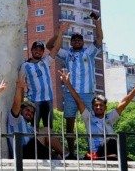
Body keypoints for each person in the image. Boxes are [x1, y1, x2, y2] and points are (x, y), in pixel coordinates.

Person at [47, 11, 104, 158]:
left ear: (83, 42)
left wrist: (96, 21)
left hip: (87, 93)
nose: (77, 41)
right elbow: (49, 45)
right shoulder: (67, 54)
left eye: (79, 40)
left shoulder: (89, 52)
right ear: (71, 42)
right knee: (70, 124)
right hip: (70, 93)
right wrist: (59, 32)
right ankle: (71, 153)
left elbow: (99, 38)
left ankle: (96, 152)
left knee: (91, 124)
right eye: (74, 40)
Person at [59, 69, 135, 160]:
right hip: (96, 153)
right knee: (112, 142)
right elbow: (78, 100)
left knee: (115, 143)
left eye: (101, 105)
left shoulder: (109, 118)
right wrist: (67, 83)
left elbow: (124, 103)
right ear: (92, 107)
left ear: (105, 107)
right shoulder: (88, 118)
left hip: (110, 151)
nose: (98, 107)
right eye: (96, 105)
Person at [7, 73, 65, 159]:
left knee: (55, 156)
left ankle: (60, 157)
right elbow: (17, 104)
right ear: (21, 110)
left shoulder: (30, 128)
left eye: (32, 112)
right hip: (22, 153)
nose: (29, 113)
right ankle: (66, 155)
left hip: (34, 152)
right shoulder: (16, 120)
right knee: (46, 130)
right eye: (27, 110)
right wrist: (19, 87)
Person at [20, 40, 55, 129]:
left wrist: (60, 33)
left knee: (49, 128)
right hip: (34, 100)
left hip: (48, 99)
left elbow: (56, 49)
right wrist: (21, 102)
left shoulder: (46, 61)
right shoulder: (25, 65)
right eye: (36, 49)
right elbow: (20, 83)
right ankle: (33, 142)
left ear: (43, 52)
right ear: (31, 50)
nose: (38, 51)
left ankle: (48, 143)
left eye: (40, 50)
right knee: (34, 127)